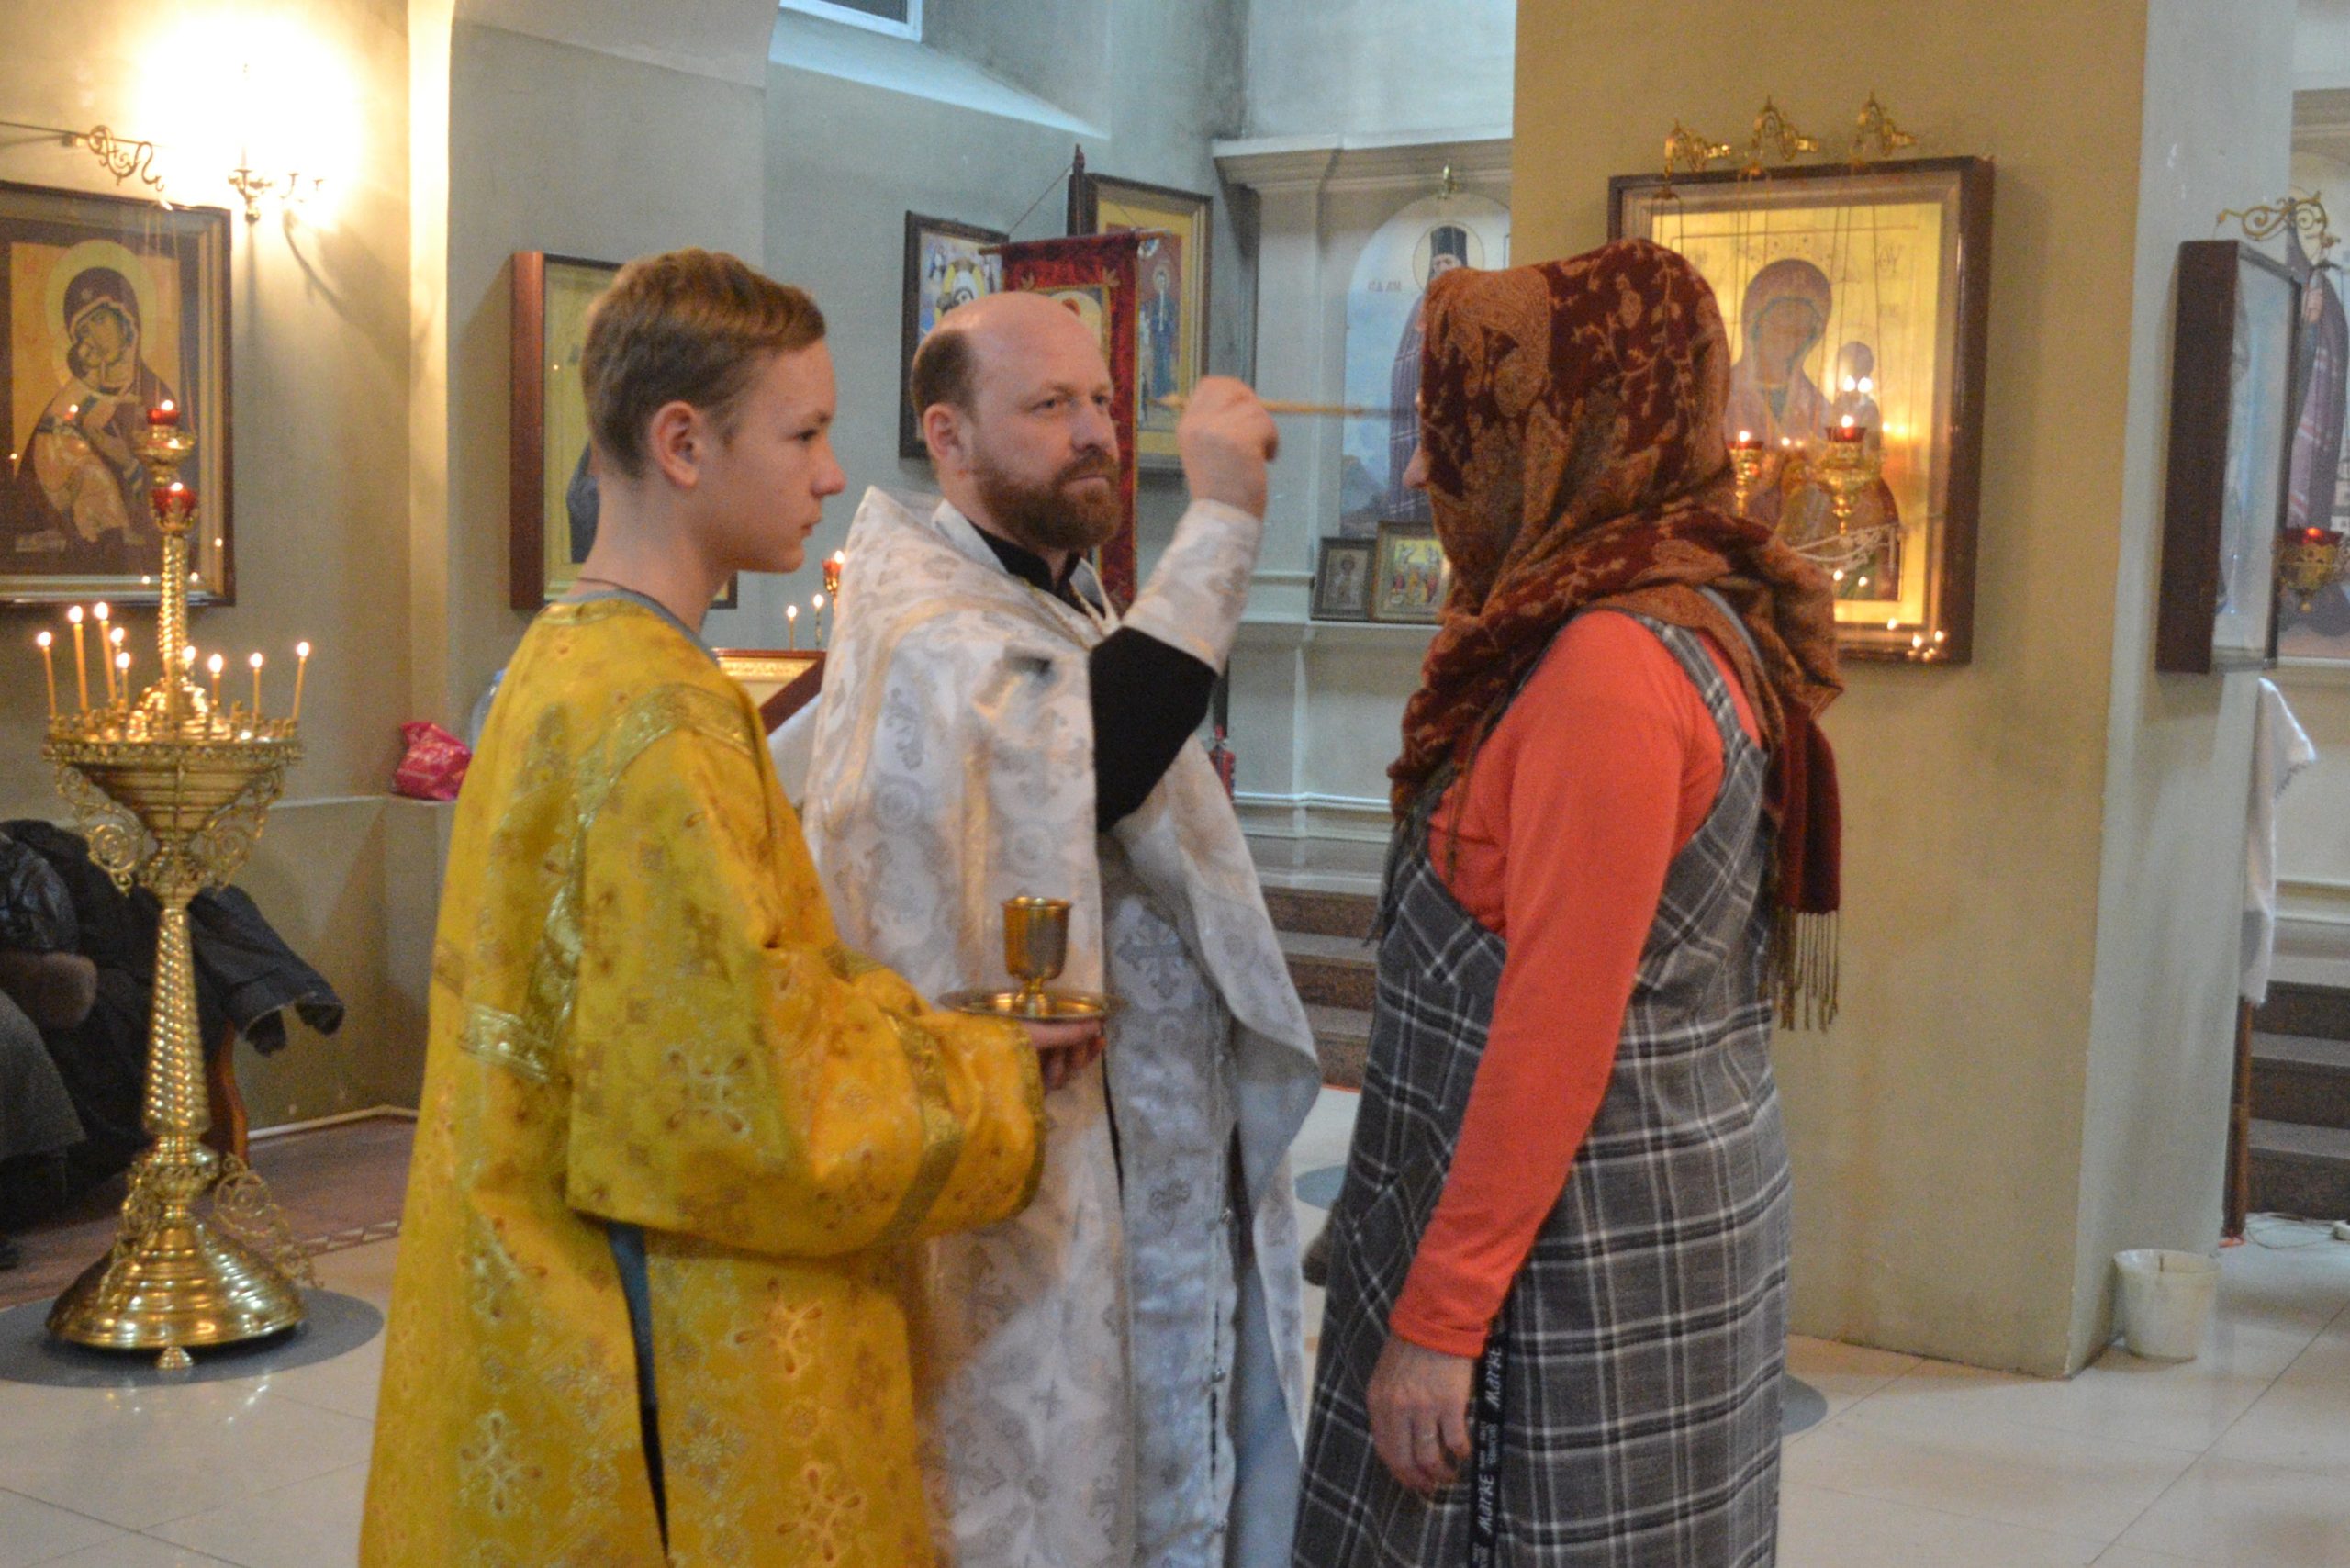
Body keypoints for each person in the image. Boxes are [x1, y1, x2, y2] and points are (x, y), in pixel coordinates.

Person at [362, 250, 1077, 1566]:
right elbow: (744, 1105)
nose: (830, 474)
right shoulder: (665, 717)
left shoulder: (557, 663)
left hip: (537, 1287)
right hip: (651, 1340)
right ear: (683, 443)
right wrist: (988, 1072)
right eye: (803, 434)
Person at [1293, 240, 1844, 1566]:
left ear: (1561, 439)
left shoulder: (1609, 665)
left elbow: (1556, 1029)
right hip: (1632, 1215)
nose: (1422, 477)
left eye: (1456, 437)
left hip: (1571, 1256)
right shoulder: (1656, 609)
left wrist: (1441, 1318)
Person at [791, 290, 1322, 1567]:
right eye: (1047, 405)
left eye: (1100, 400)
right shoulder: (929, 627)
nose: (1093, 431)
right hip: (1023, 1194)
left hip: (1142, 1163)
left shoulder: (1052, 599)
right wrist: (1223, 520)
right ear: (950, 437)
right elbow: (1092, 750)